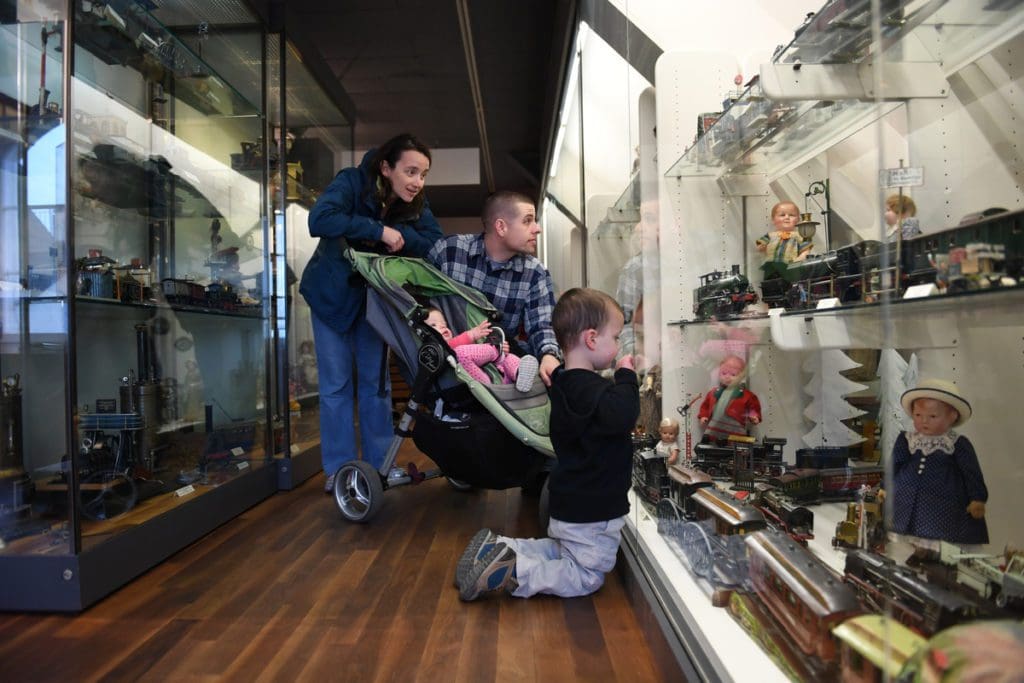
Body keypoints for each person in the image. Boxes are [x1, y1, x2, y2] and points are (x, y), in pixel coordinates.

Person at [455, 288, 638, 601]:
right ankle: (514, 572)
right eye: (617, 337)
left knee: (560, 550)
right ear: (592, 339)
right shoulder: (590, 389)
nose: (619, 344)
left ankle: (504, 547)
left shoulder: (565, 383)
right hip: (593, 510)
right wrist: (626, 376)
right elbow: (623, 413)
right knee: (585, 575)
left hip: (571, 503)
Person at [299, 133, 443, 493]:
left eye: (423, 174)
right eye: (410, 171)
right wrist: (377, 230)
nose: (417, 182)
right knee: (336, 387)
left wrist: (400, 236)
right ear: (385, 167)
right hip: (331, 299)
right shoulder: (351, 181)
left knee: (376, 387)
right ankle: (340, 470)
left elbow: (434, 243)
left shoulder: (416, 202)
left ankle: (380, 468)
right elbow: (320, 220)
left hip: (375, 304)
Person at [427, 190, 561, 386]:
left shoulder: (535, 273)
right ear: (501, 226)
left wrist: (549, 355)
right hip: (446, 369)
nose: (537, 229)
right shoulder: (448, 252)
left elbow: (542, 325)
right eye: (527, 221)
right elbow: (419, 300)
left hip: (498, 371)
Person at [891, 378, 988, 563]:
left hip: (944, 500)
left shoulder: (956, 443)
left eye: (932, 416)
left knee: (939, 528)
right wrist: (885, 486)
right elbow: (895, 464)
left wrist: (978, 498)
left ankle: (938, 557)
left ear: (952, 417)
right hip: (911, 498)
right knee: (916, 525)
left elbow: (971, 472)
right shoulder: (907, 439)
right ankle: (921, 552)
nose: (924, 421)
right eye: (918, 415)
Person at [423, 307, 539, 392]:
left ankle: (519, 374)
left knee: (509, 358)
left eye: (444, 323)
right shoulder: (438, 351)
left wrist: (504, 350)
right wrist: (471, 335)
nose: (442, 326)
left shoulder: (462, 343)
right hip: (483, 384)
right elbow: (450, 347)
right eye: (434, 325)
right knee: (459, 353)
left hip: (500, 376)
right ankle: (495, 350)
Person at [698, 355, 761, 444]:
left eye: (733, 374)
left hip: (736, 432)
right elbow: (705, 405)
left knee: (736, 449)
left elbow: (753, 407)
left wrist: (754, 417)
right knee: (714, 448)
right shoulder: (713, 392)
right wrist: (703, 416)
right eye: (723, 373)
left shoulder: (746, 395)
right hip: (715, 432)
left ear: (742, 377)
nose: (727, 377)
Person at [755, 200, 813, 265]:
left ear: (798, 220)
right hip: (771, 268)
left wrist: (799, 260)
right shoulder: (770, 235)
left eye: (791, 215)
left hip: (791, 267)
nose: (787, 217)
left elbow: (806, 251)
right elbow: (760, 247)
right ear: (773, 219)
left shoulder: (800, 236)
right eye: (782, 215)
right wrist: (762, 247)